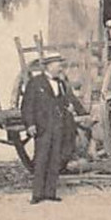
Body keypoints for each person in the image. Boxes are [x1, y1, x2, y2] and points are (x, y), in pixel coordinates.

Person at [20, 52, 68, 204]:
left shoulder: (60, 83)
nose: (60, 67)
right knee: (41, 159)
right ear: (50, 65)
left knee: (55, 159)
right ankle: (37, 194)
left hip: (57, 127)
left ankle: (50, 192)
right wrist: (30, 124)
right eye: (58, 64)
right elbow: (27, 106)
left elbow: (62, 103)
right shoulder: (35, 83)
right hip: (42, 127)